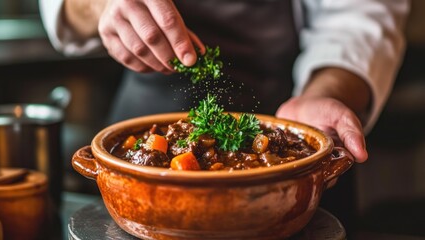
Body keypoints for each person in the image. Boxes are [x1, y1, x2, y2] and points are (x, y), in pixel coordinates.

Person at [39, 0, 409, 233]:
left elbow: (357, 18)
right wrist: (100, 5)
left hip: (292, 108)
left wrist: (326, 94)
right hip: (144, 105)